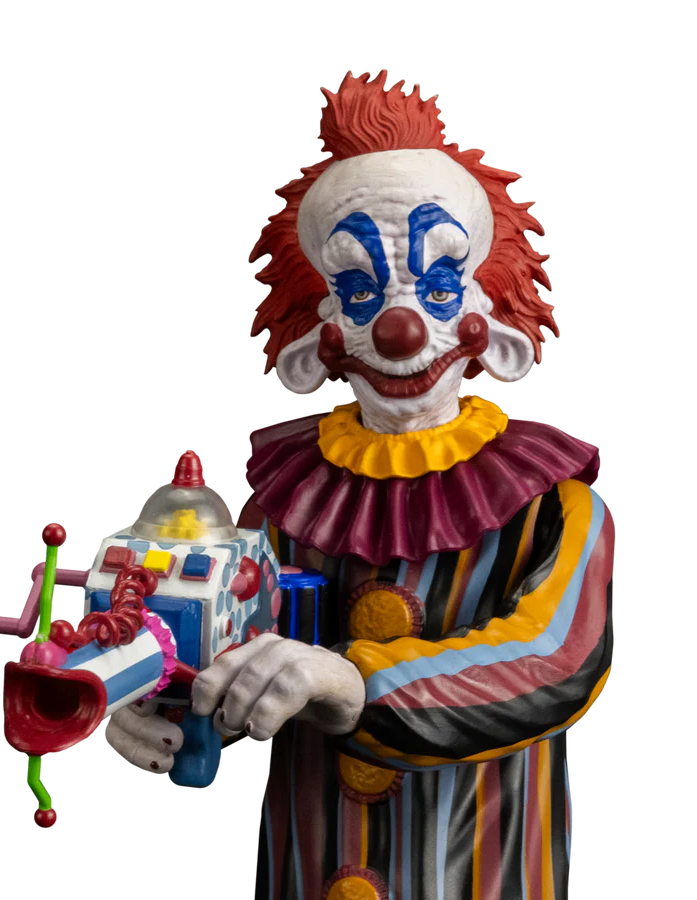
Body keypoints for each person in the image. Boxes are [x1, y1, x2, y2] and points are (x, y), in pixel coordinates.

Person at [105, 68, 616, 900]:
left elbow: (557, 661)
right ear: (321, 334)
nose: (399, 326)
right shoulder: (283, 501)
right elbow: (226, 647)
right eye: (358, 287)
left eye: (438, 285)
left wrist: (354, 683)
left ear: (492, 317)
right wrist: (147, 688)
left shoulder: (555, 502)